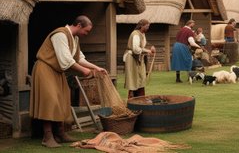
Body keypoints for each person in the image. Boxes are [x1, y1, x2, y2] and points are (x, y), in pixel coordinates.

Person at [30, 15, 108, 148]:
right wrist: (84, 71)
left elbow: (79, 58)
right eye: (86, 31)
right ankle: (47, 137)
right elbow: (66, 60)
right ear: (78, 25)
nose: (86, 34)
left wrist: (96, 67)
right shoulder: (60, 35)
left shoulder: (75, 38)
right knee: (50, 100)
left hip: (56, 71)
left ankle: (60, 133)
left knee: (63, 98)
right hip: (45, 69)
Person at [123, 19, 155, 99]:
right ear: (142, 26)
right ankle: (133, 101)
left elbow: (142, 45)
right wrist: (148, 51)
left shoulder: (142, 34)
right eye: (147, 26)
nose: (148, 28)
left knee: (141, 78)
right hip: (132, 58)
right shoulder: (135, 34)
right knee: (134, 79)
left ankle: (140, 99)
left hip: (138, 58)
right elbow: (136, 49)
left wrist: (151, 48)